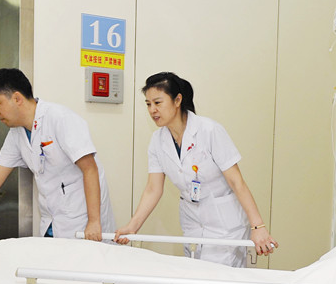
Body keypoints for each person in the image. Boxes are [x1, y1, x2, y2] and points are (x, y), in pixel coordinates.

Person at [114, 72, 277, 267]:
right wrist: (133, 226)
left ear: (177, 100)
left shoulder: (209, 131)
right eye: (148, 104)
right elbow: (153, 189)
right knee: (193, 274)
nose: (152, 110)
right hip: (192, 220)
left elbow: (237, 182)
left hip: (223, 222)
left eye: (158, 102)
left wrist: (258, 226)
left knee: (215, 278)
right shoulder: (157, 141)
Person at [0, 68, 115, 240]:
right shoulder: (17, 133)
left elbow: (90, 169)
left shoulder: (60, 118)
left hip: (82, 219)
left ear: (17, 98)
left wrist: (94, 221)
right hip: (52, 219)